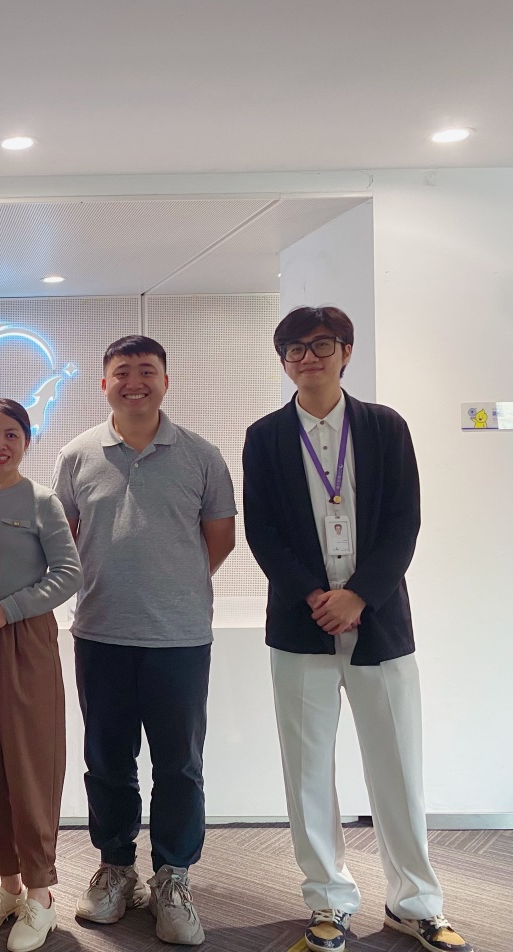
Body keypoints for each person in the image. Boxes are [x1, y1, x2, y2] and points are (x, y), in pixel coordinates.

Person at [242, 306, 472, 952]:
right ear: (283, 360)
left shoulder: (384, 427)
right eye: (294, 348)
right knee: (307, 772)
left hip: (380, 624)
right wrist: (317, 596)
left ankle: (416, 903)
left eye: (321, 345)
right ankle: (328, 901)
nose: (307, 358)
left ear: (346, 351)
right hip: (301, 624)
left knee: (398, 767)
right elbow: (262, 531)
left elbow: (403, 522)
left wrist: (360, 596)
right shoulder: (264, 436)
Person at [52, 336, 236, 946]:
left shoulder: (201, 456)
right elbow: (65, 539)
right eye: (122, 372)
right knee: (108, 760)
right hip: (100, 631)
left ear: (165, 381)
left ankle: (173, 876)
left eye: (147, 371)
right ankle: (115, 868)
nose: (135, 382)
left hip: (179, 637)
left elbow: (219, 539)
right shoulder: (78, 455)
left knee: (179, 763)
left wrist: (172, 585)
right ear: (104, 383)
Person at [0, 399, 80, 952]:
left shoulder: (43, 502)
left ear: (27, 441)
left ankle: (41, 895)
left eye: (10, 434)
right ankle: (7, 885)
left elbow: (69, 573)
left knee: (30, 763)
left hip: (24, 640)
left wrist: (10, 609)